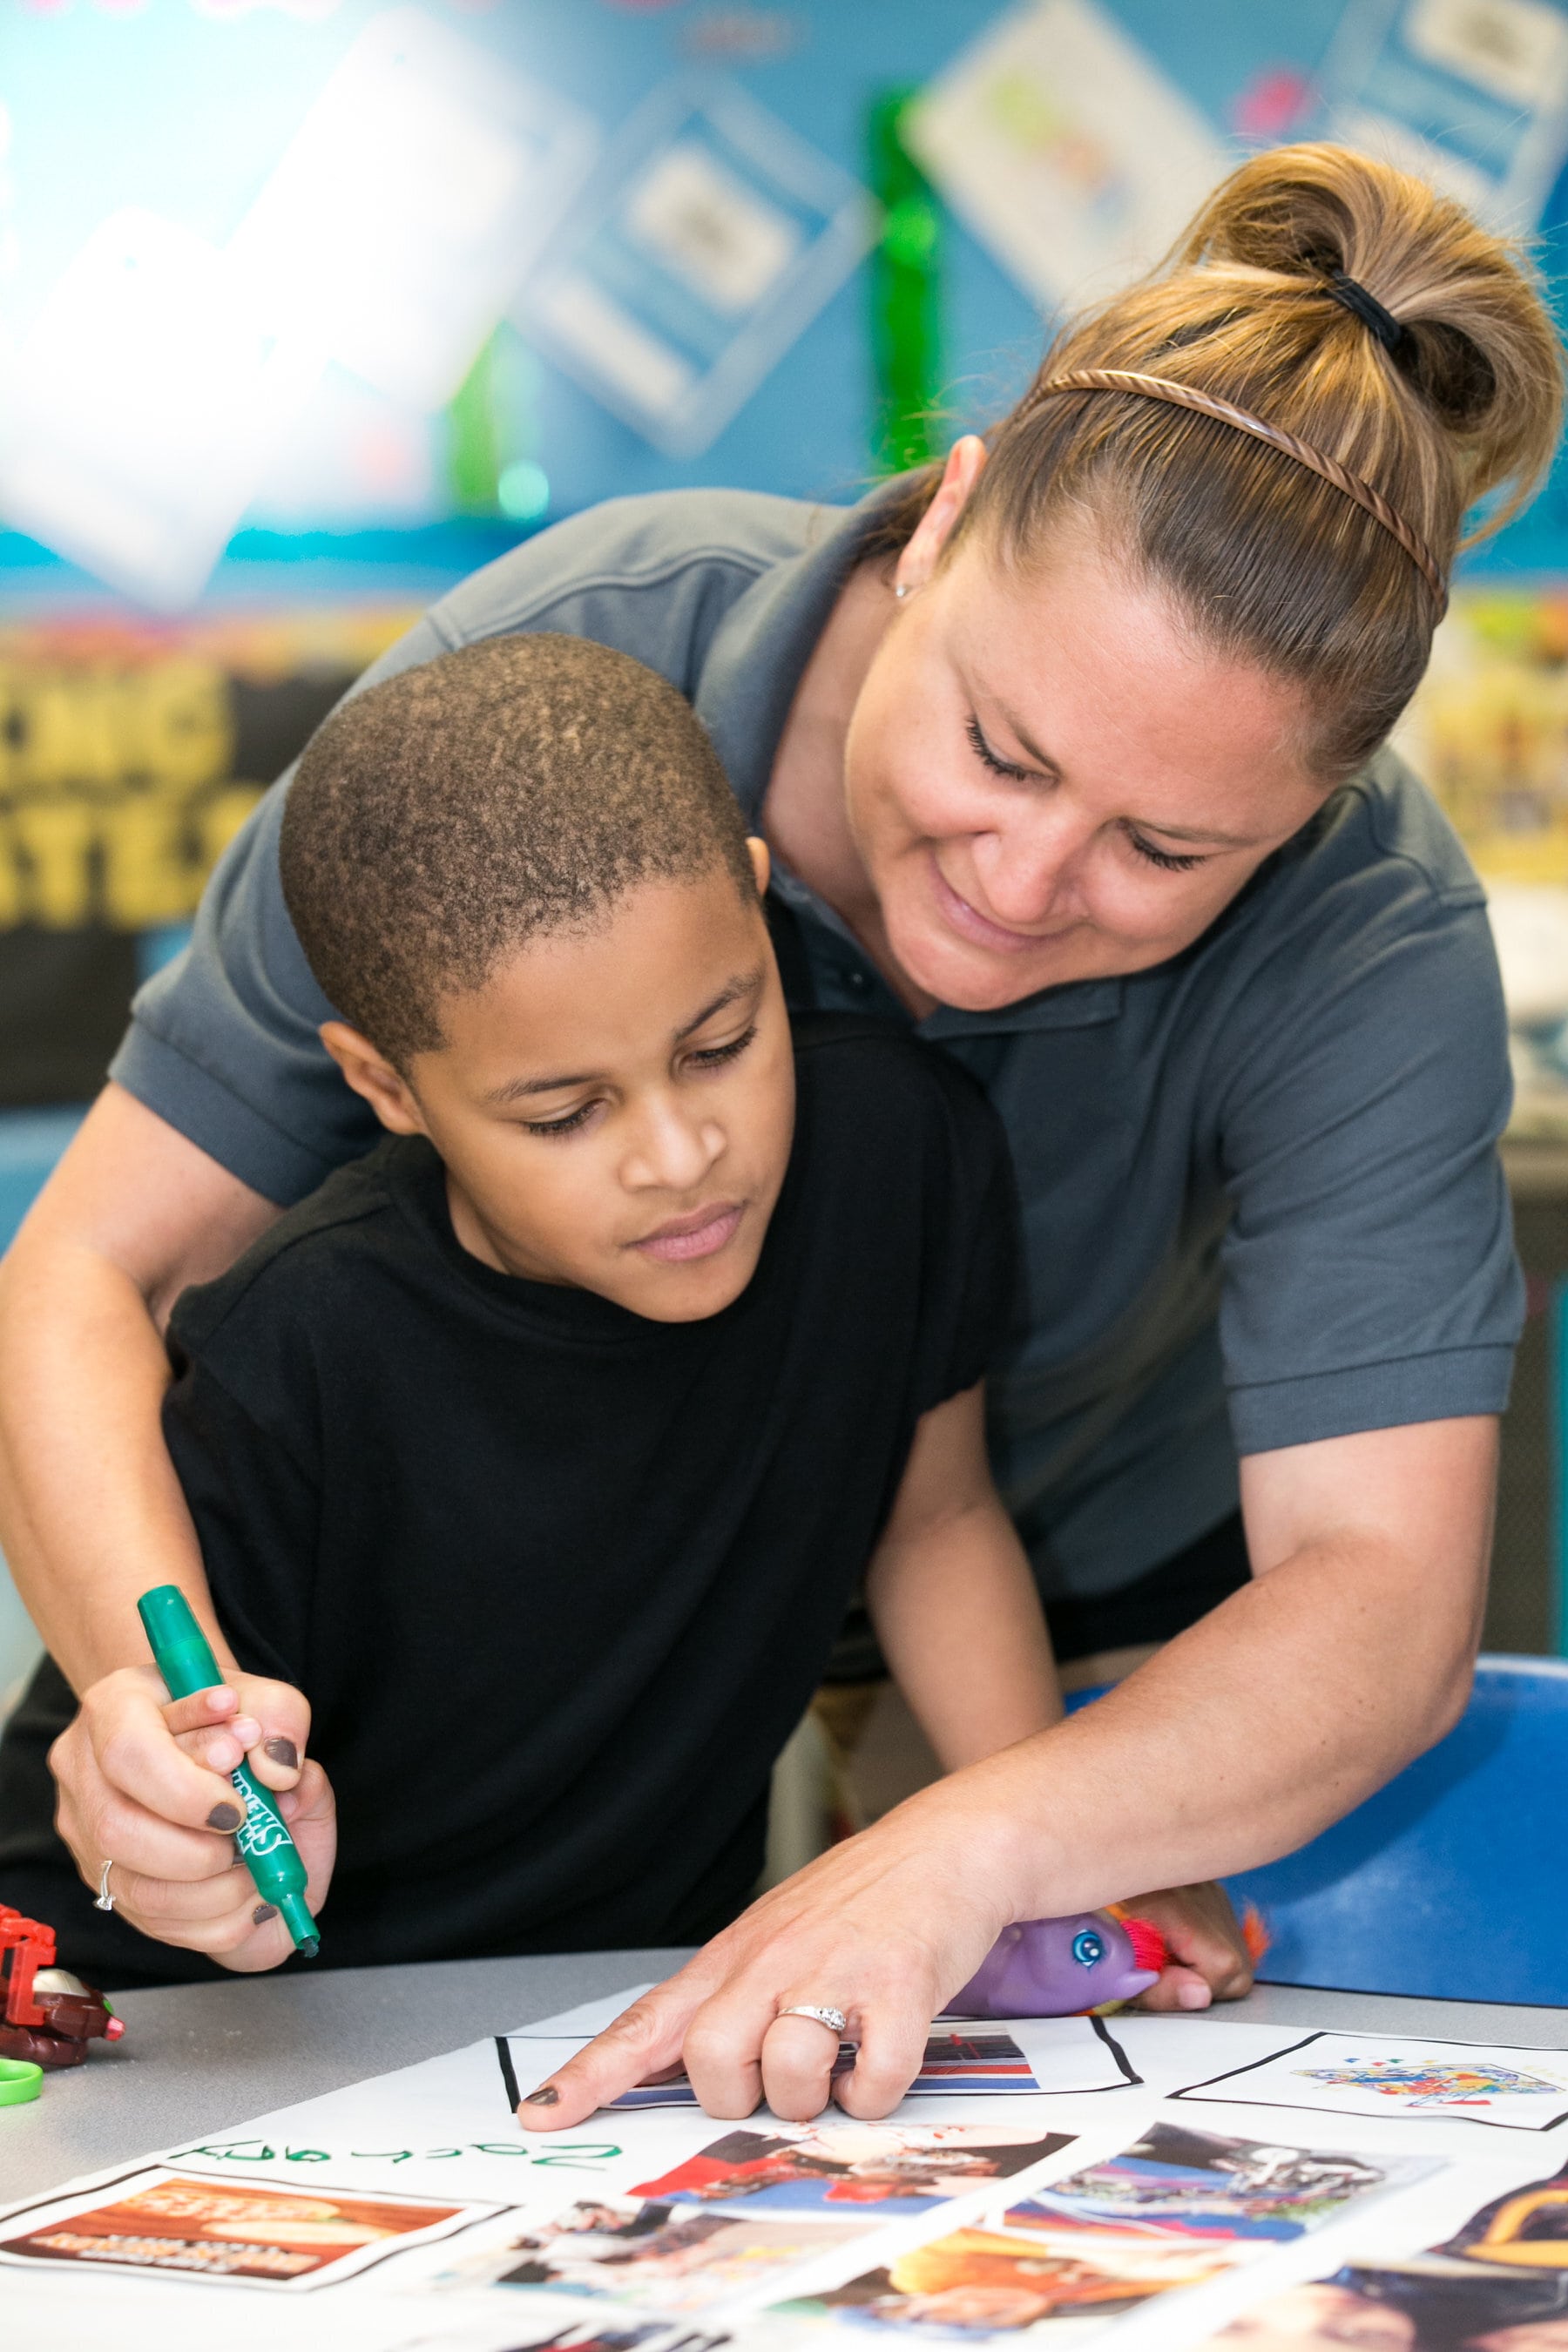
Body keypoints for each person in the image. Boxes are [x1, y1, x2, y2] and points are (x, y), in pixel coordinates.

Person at [0, 143, 1560, 2097]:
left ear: (1313, 813)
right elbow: (89, 1270)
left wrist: (980, 1832)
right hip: (580, 1617)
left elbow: (1379, 1603)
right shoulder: (562, 677)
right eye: (999, 746)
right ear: (943, 520)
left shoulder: (1369, 934)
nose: (1022, 879)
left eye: (1166, 848)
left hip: (1079, 1624)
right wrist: (163, 1715)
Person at [0, 633, 1058, 1982]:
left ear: (755, 900)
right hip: (169, 2007)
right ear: (386, 1088)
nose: (680, 1158)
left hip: (611, 2012)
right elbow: (166, 1785)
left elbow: (937, 1517)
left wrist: (1055, 1849)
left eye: (720, 1044)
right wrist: (197, 1836)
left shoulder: (902, 1155)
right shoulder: (307, 1345)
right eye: (564, 1113)